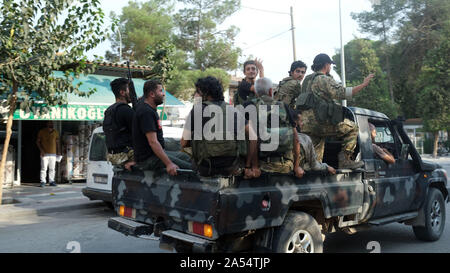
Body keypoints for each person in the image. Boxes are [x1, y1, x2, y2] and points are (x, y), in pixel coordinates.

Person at [296, 53, 374, 169]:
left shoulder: (307, 80)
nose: (330, 67)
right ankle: (345, 160)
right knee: (352, 128)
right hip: (320, 122)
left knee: (315, 155)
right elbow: (343, 93)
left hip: (306, 124)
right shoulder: (324, 79)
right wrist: (363, 84)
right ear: (326, 65)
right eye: (330, 65)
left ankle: (308, 172)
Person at [181, 76, 259, 178]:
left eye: (197, 92)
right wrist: (248, 166)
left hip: (205, 168)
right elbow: (253, 138)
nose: (195, 95)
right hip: (231, 167)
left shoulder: (197, 110)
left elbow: (183, 143)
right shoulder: (233, 110)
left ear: (206, 93)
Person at [244, 77, 304, 178]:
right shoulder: (284, 106)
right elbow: (296, 139)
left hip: (261, 167)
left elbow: (251, 139)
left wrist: (253, 166)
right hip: (285, 165)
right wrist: (297, 166)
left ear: (256, 92)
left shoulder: (250, 105)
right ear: (271, 90)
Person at [133, 80, 191, 176]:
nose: (163, 94)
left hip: (154, 155)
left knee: (185, 157)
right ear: (152, 94)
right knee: (189, 167)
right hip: (149, 159)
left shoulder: (149, 109)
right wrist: (169, 164)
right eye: (160, 91)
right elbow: (153, 142)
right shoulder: (146, 112)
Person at [103, 77, 135, 171]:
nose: (132, 93)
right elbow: (139, 132)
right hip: (129, 157)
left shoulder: (109, 111)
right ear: (122, 92)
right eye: (129, 90)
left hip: (115, 157)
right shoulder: (126, 110)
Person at [36, 121, 60, 187]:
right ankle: (43, 181)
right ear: (47, 124)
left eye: (52, 123)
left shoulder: (55, 132)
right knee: (44, 168)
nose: (51, 124)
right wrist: (41, 150)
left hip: (53, 153)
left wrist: (58, 151)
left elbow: (57, 143)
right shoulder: (42, 131)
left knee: (52, 168)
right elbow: (38, 142)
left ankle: (51, 181)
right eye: (50, 123)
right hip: (44, 154)